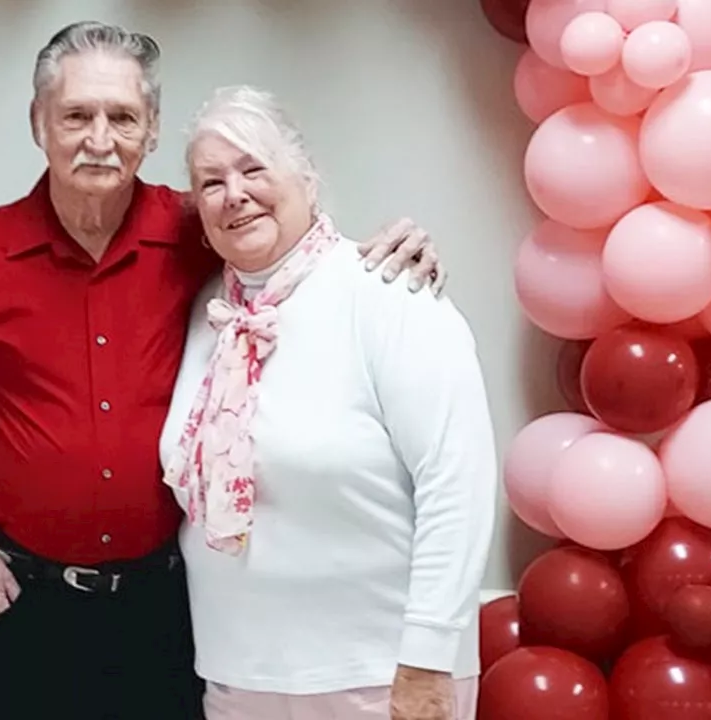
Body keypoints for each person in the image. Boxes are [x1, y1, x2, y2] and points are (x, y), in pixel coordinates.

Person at [0, 21, 448, 720]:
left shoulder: (200, 230)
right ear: (39, 123)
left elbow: (294, 251)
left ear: (151, 129)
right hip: (20, 606)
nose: (100, 138)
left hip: (162, 611)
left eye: (122, 117)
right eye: (76, 115)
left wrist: (388, 253)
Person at [158, 84, 498, 720]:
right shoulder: (206, 312)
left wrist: (427, 659)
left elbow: (458, 484)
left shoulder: (388, 291)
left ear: (308, 181)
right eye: (211, 183)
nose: (234, 193)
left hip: (382, 674)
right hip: (238, 673)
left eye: (254, 168)